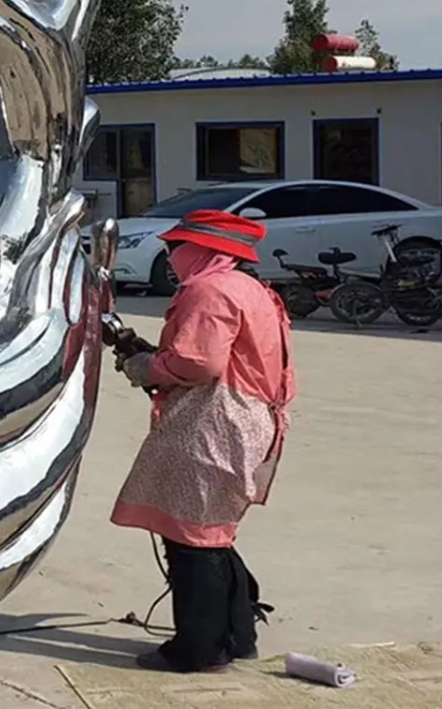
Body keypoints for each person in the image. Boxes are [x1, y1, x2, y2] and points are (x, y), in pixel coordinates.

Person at [110, 209, 296, 673]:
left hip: (216, 423)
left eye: (178, 248)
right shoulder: (249, 287)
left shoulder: (208, 290)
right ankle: (237, 635)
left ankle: (198, 650)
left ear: (204, 250)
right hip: (247, 419)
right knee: (213, 534)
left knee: (192, 540)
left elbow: (199, 364)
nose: (171, 256)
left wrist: (147, 367)